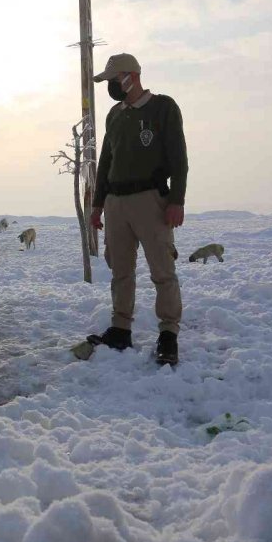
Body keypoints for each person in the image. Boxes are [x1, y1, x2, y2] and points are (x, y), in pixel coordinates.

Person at [87, 53, 188, 366]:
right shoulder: (114, 115)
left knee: (162, 270)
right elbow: (106, 162)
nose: (111, 87)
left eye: (113, 80)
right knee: (120, 270)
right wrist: (98, 204)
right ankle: (121, 329)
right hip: (117, 203)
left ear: (131, 76)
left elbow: (179, 158)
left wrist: (177, 200)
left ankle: (168, 334)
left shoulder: (163, 107)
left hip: (151, 201)